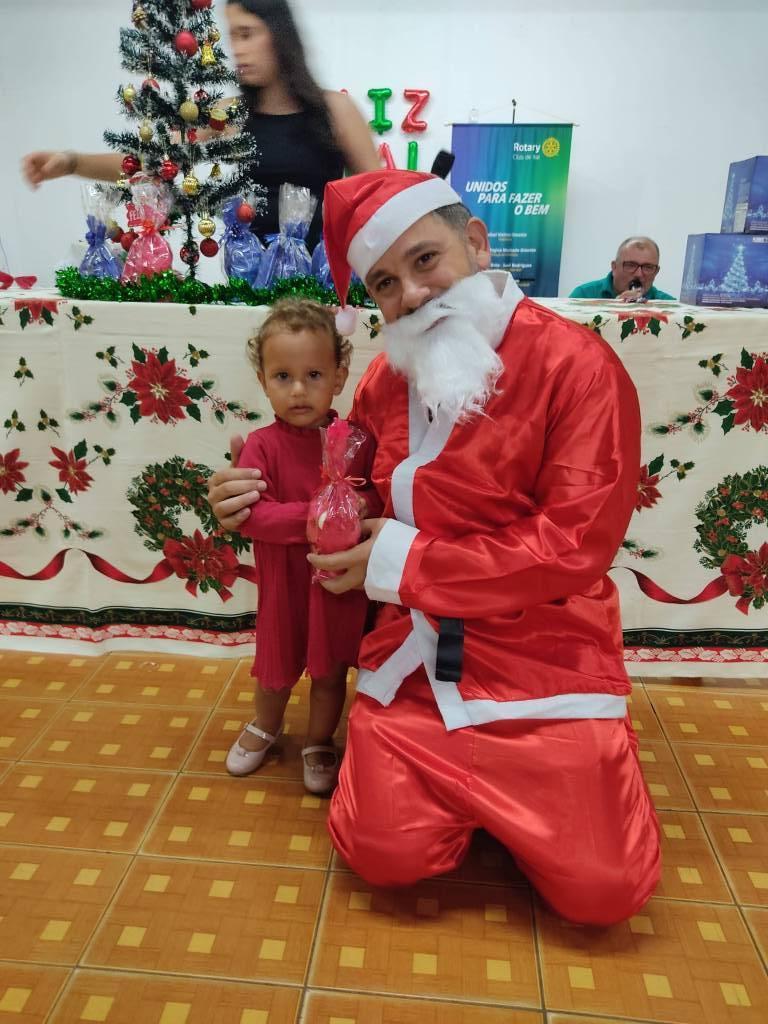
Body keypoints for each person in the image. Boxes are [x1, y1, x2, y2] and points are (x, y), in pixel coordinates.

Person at [208, 169, 661, 926]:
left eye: (426, 260)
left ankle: (553, 787)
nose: (413, 295)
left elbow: (575, 543)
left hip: (544, 664)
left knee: (605, 893)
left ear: (476, 243)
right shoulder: (385, 378)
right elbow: (353, 495)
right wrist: (259, 489)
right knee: (380, 855)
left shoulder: (578, 367)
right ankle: (473, 804)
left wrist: (403, 562)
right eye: (386, 283)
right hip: (416, 660)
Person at [21, 0, 379, 249]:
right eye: (232, 36)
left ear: (280, 35)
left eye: (247, 34)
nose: (237, 49)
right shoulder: (227, 115)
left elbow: (379, 199)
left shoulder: (335, 110)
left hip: (325, 283)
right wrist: (71, 162)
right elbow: (147, 160)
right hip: (251, 282)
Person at [227, 298, 380, 794]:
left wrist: (359, 507)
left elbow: (374, 499)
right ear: (263, 381)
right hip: (284, 586)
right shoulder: (261, 445)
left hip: (338, 585)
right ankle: (266, 725)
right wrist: (318, 516)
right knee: (275, 670)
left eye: (313, 375)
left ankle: (319, 740)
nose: (298, 390)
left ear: (339, 377)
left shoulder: (355, 441)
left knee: (331, 672)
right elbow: (254, 516)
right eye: (282, 376)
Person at [569, 236, 676, 301]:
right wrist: (614, 309)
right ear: (614, 267)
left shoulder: (669, 305)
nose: (639, 274)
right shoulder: (583, 296)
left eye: (648, 267)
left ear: (656, 272)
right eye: (631, 265)